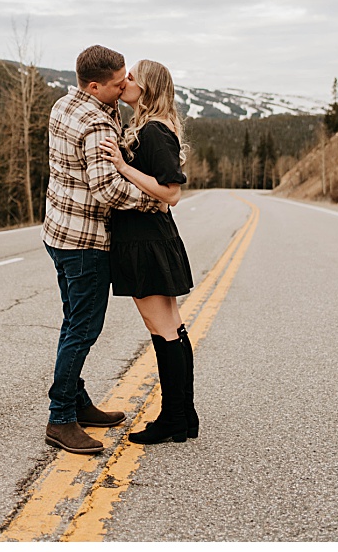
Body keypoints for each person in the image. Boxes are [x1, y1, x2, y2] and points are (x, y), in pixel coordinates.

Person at [41, 45, 172, 457]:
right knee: (83, 329)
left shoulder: (66, 103)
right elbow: (108, 189)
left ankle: (77, 402)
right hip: (84, 242)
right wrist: (155, 200)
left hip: (57, 232)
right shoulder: (96, 123)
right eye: (118, 85)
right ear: (95, 85)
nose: (124, 89)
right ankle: (60, 417)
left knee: (72, 322)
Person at [99, 60, 197, 445]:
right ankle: (184, 416)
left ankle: (174, 418)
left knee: (163, 329)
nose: (126, 82)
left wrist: (123, 166)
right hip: (151, 237)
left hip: (146, 242)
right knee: (172, 327)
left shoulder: (155, 131)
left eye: (133, 77)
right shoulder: (150, 126)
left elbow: (171, 192)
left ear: (148, 89)